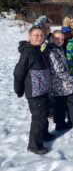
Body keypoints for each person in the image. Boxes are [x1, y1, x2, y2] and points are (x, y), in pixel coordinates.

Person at [13, 26, 54, 155]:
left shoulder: (39, 50)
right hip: (35, 91)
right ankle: (34, 145)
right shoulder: (28, 52)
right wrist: (19, 89)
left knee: (44, 113)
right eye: (36, 35)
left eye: (41, 35)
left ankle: (45, 134)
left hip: (43, 89)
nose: (39, 37)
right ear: (30, 36)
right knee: (39, 117)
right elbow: (18, 72)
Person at [47, 30, 73, 130]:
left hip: (59, 83)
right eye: (57, 38)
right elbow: (59, 70)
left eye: (62, 38)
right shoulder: (52, 51)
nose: (60, 40)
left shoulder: (58, 48)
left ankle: (60, 124)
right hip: (61, 83)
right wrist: (72, 79)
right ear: (52, 39)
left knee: (60, 104)